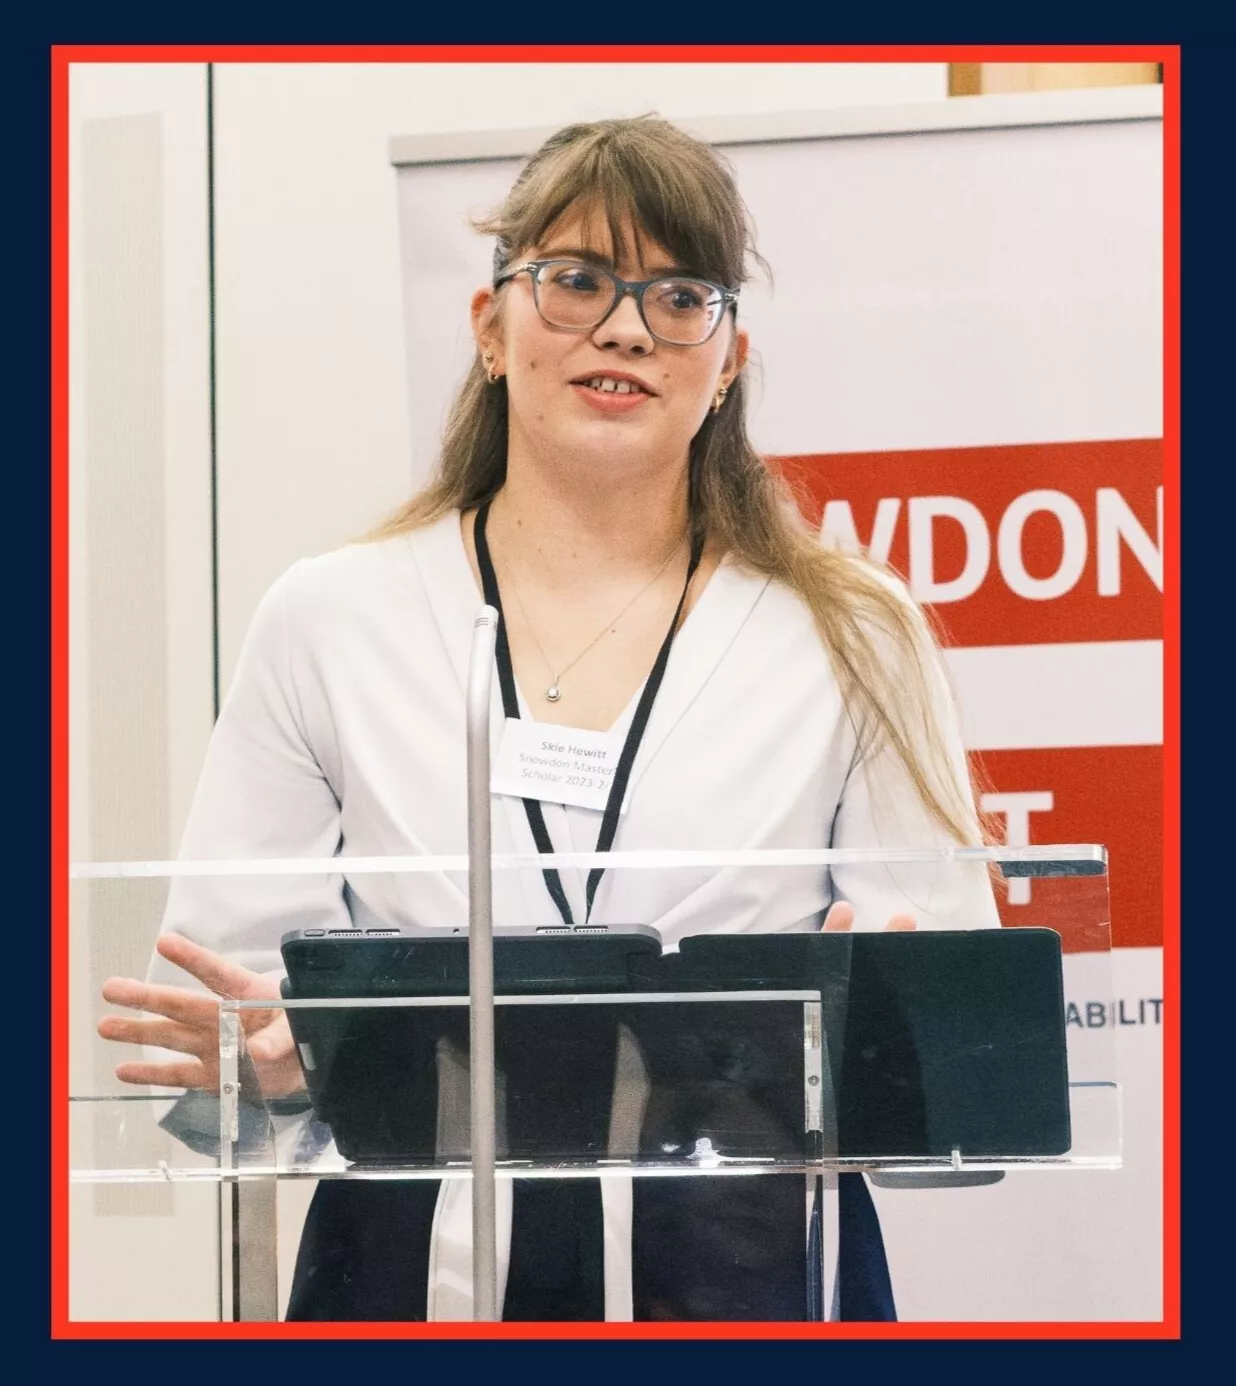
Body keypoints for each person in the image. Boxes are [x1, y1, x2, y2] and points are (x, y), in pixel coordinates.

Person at [97, 114, 999, 1323]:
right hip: (411, 1271)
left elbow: (966, 1094)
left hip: (752, 1270)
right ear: (489, 329)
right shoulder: (331, 618)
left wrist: (886, 1022)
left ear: (727, 359)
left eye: (680, 296)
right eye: (575, 281)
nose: (625, 325)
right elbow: (222, 1060)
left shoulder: (854, 629)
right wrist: (264, 1075)